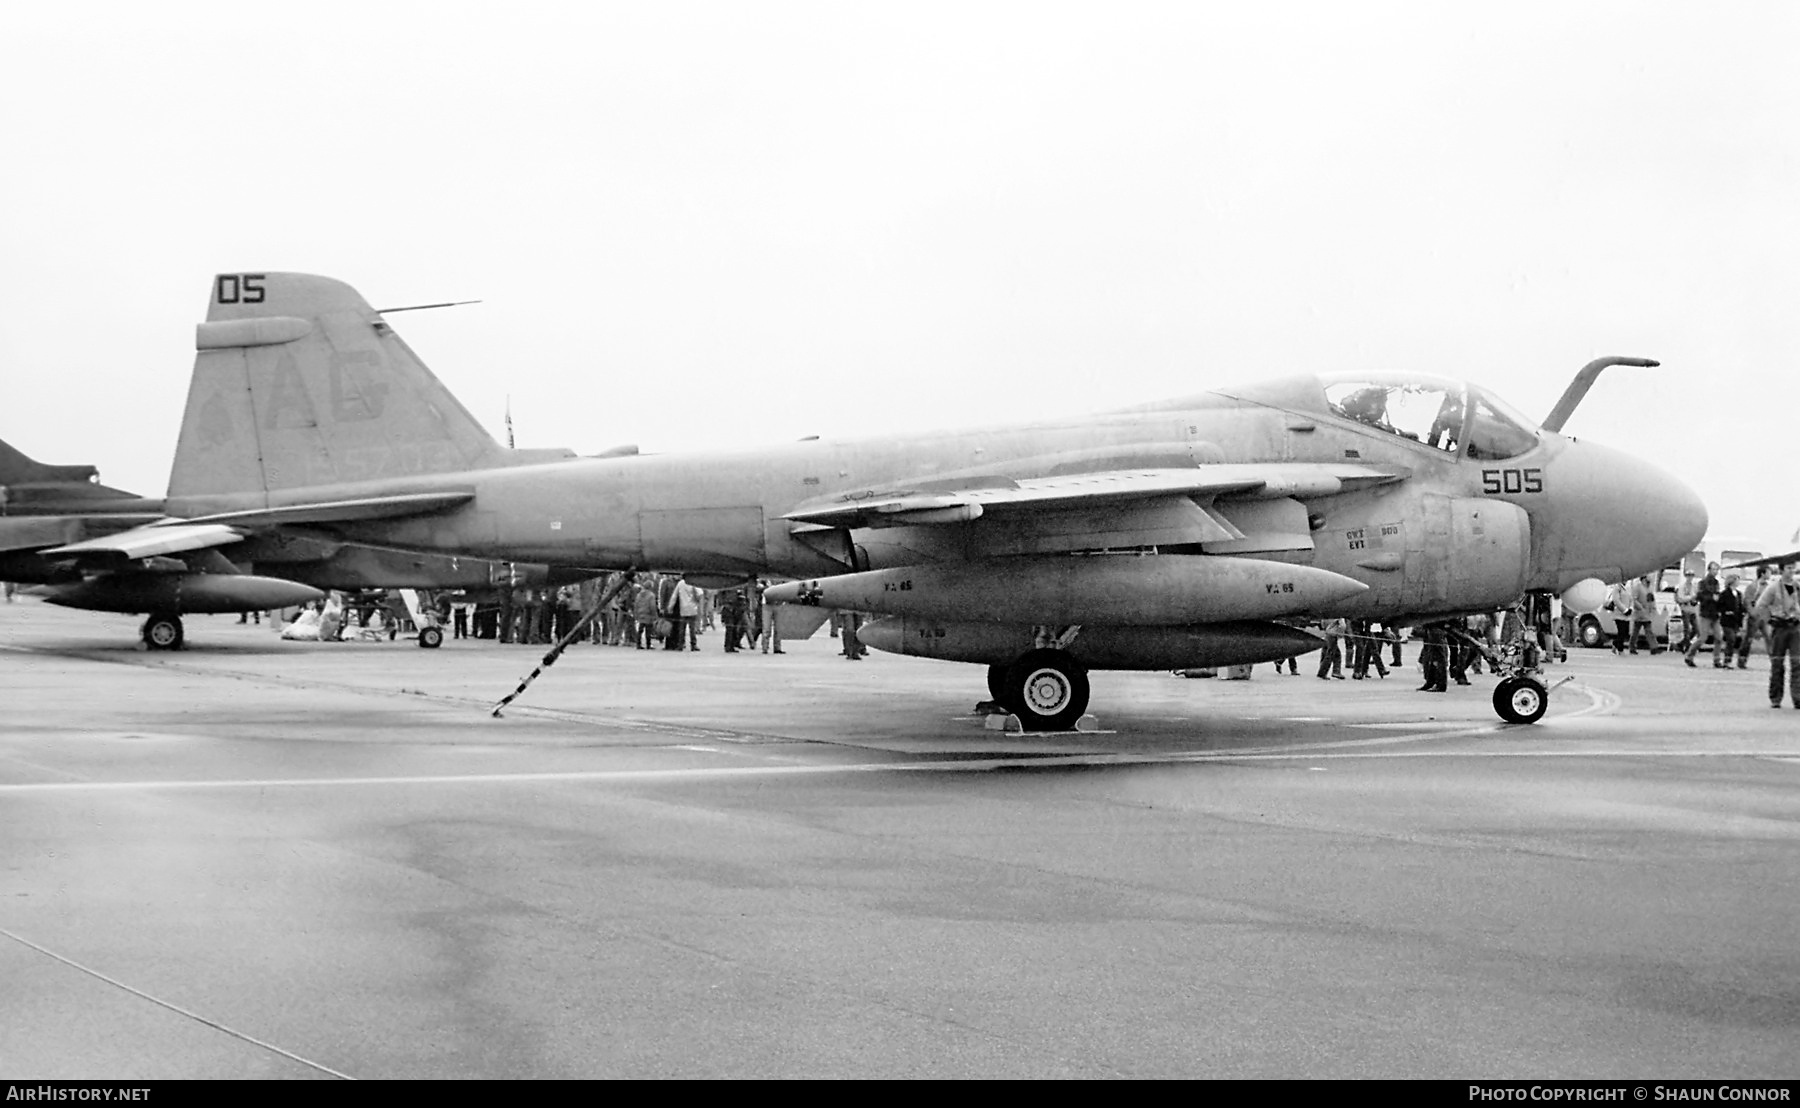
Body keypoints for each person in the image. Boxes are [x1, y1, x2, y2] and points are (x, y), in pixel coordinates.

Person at [1753, 563, 1800, 708]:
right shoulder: (1773, 587)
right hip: (1780, 627)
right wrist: (1769, 619)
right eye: (1788, 568)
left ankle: (1798, 697)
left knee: (1797, 663)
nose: (1791, 571)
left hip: (1795, 628)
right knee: (1777, 663)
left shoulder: (1797, 586)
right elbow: (1760, 605)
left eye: (1793, 568)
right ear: (1781, 570)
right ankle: (1775, 697)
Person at [1684, 563, 1722, 667]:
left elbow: (1718, 595)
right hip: (1705, 613)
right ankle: (1689, 655)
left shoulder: (1717, 583)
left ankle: (1717, 659)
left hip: (1715, 613)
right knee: (1703, 638)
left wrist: (1718, 600)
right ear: (1709, 570)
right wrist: (1711, 598)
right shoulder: (1703, 582)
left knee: (1719, 637)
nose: (1716, 571)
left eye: (1717, 569)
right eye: (1714, 569)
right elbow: (1700, 596)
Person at [1716, 573, 1746, 669]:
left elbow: (1741, 607)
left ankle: (1729, 659)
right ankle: (1726, 661)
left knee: (1734, 641)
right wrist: (1726, 612)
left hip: (1736, 621)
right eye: (1737, 580)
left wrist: (1743, 613)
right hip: (1727, 620)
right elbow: (1720, 606)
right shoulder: (1725, 594)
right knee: (1731, 639)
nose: (1738, 582)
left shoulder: (1739, 594)